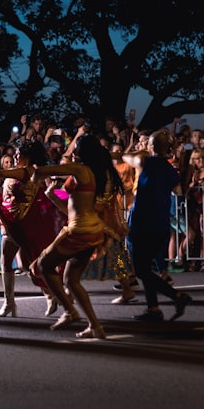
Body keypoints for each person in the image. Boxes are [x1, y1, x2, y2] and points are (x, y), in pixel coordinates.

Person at [25, 133, 127, 339]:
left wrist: (33, 175)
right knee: (71, 281)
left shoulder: (80, 169)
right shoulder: (92, 173)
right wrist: (52, 196)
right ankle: (96, 326)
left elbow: (43, 171)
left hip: (79, 231)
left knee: (42, 265)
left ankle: (70, 311)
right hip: (90, 230)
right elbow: (72, 209)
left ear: (80, 152)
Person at [0, 139, 63, 319]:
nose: (16, 156)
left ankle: (13, 302)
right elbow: (9, 194)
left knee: (17, 262)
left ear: (27, 157)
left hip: (20, 224)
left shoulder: (24, 171)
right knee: (20, 263)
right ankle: (42, 296)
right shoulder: (26, 172)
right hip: (11, 222)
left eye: (19, 153)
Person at [128, 130, 192, 322]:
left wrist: (129, 149)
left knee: (141, 269)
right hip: (160, 223)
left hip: (144, 222)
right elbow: (179, 188)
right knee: (145, 268)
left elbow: (127, 158)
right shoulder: (170, 169)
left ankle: (176, 296)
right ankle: (153, 308)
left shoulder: (147, 162)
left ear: (152, 146)